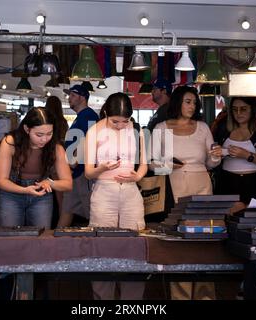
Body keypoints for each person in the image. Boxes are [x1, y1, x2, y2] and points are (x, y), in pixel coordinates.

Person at [151, 85, 222, 300]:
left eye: (195, 102)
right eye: (188, 101)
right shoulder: (161, 128)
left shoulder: (202, 128)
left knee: (204, 240)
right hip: (174, 187)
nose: (192, 106)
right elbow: (152, 164)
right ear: (178, 102)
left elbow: (211, 163)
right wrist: (168, 165)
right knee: (179, 242)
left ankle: (205, 295)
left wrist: (217, 155)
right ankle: (179, 295)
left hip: (202, 185)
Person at [85, 92, 147, 300]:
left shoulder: (136, 130)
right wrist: (101, 168)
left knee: (135, 246)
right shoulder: (94, 131)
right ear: (105, 113)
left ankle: (132, 301)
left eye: (125, 121)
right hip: (104, 191)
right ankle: (102, 300)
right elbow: (88, 172)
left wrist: (137, 175)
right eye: (115, 121)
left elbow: (144, 164)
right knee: (103, 246)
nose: (121, 125)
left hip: (131, 192)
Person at [0, 107, 72, 228]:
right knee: (9, 237)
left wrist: (50, 182)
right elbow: (1, 181)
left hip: (41, 196)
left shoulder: (56, 148)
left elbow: (68, 183)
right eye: (39, 134)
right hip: (11, 194)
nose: (44, 139)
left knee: (41, 238)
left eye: (49, 134)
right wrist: (25, 190)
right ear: (27, 129)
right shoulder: (10, 142)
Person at [215, 97, 256, 205]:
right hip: (227, 181)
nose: (238, 113)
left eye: (243, 109)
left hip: (255, 182)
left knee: (253, 218)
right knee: (227, 217)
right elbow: (211, 154)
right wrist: (217, 153)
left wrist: (247, 155)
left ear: (252, 110)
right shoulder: (223, 129)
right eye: (234, 109)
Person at [57, 85, 99, 227]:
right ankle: (57, 242)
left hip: (83, 174)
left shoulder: (89, 116)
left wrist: (73, 161)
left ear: (82, 97)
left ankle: (97, 244)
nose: (69, 98)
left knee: (92, 212)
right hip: (74, 174)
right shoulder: (80, 117)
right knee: (67, 209)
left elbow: (90, 139)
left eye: (73, 95)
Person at [45, 96, 69, 227]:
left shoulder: (46, 120)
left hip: (46, 157)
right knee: (61, 197)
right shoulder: (63, 121)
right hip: (59, 158)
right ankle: (60, 224)